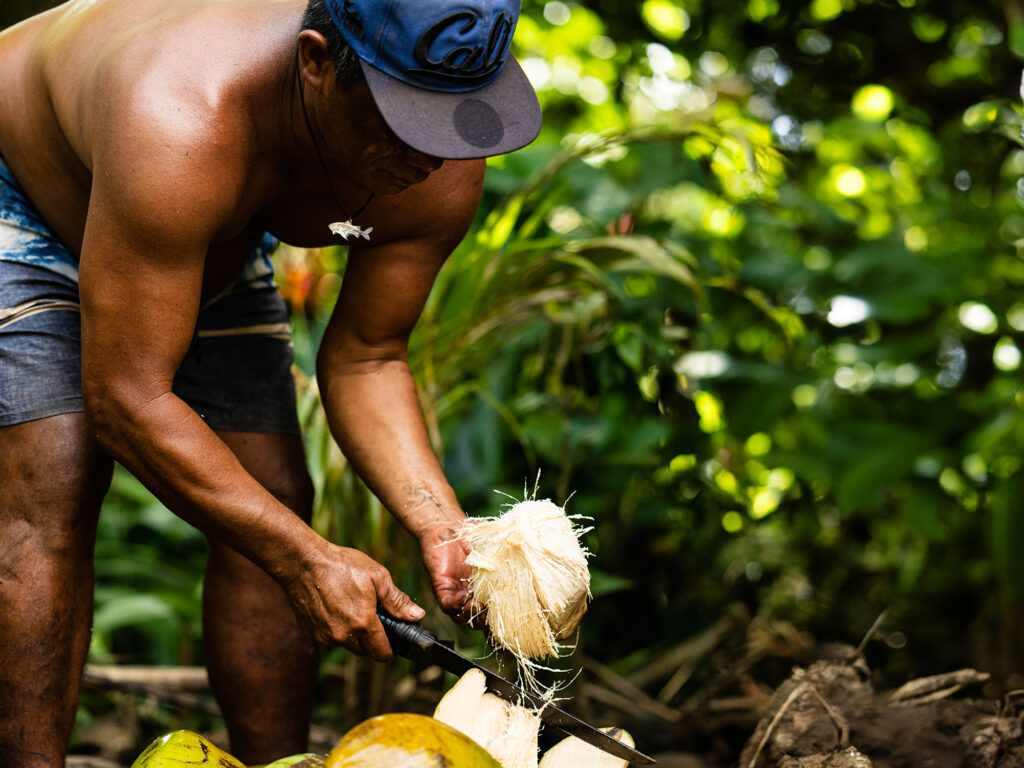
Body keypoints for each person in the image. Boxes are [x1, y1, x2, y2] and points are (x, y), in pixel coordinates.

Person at [0, 0, 542, 764]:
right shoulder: (184, 114)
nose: (431, 155)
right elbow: (127, 398)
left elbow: (368, 356)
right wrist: (306, 559)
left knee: (275, 494)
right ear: (316, 62)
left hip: (198, 221)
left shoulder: (442, 162)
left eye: (455, 118)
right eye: (405, 119)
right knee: (53, 476)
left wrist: (442, 525)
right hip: (27, 179)